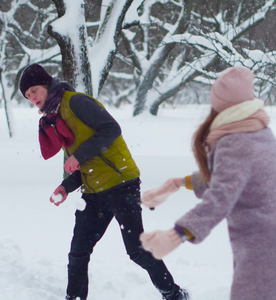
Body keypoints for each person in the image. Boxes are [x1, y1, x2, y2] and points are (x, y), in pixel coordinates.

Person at [139, 66, 276, 299]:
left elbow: (221, 196)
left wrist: (177, 235)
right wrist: (178, 183)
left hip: (265, 255)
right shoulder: (257, 131)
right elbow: (232, 178)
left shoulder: (236, 141)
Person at [19, 64, 188, 300]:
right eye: (28, 96)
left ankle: (174, 294)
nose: (32, 97)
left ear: (47, 84)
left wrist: (78, 156)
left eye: (34, 90)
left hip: (121, 183)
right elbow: (80, 165)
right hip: (94, 191)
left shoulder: (75, 102)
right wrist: (66, 187)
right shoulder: (55, 118)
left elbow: (111, 129)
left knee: (137, 251)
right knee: (78, 252)